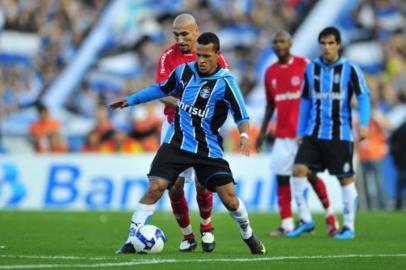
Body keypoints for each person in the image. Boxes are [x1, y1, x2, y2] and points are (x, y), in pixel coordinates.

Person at [112, 32, 266, 255]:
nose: (201, 60)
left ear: (217, 55)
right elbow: (160, 89)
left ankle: (248, 233)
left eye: (206, 56)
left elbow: (241, 114)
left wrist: (243, 137)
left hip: (208, 148)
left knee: (230, 199)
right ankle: (131, 240)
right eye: (199, 55)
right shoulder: (184, 71)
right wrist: (131, 100)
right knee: (156, 187)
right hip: (177, 143)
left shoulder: (226, 82)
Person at [154, 13, 228, 252]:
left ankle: (206, 228)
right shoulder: (167, 57)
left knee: (202, 183)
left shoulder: (215, 56)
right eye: (176, 35)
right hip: (174, 124)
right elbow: (160, 92)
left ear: (196, 30)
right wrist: (184, 104)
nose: (180, 39)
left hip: (203, 126)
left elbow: (225, 90)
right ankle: (187, 235)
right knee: (173, 184)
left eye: (184, 34)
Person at [256, 31, 338, 237]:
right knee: (282, 178)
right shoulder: (270, 72)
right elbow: (270, 104)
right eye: (275, 41)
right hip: (282, 135)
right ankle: (287, 223)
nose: (279, 45)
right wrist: (263, 131)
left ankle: (330, 218)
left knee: (309, 175)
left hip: (303, 134)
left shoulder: (305, 65)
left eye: (282, 41)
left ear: (291, 43)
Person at [292, 27, 370, 240]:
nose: (326, 47)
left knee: (345, 179)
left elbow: (363, 97)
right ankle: (306, 220)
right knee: (298, 170)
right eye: (323, 43)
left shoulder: (350, 69)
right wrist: (300, 131)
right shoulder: (311, 69)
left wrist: (364, 124)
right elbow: (306, 101)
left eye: (330, 43)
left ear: (338, 45)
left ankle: (349, 226)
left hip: (340, 134)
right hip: (313, 133)